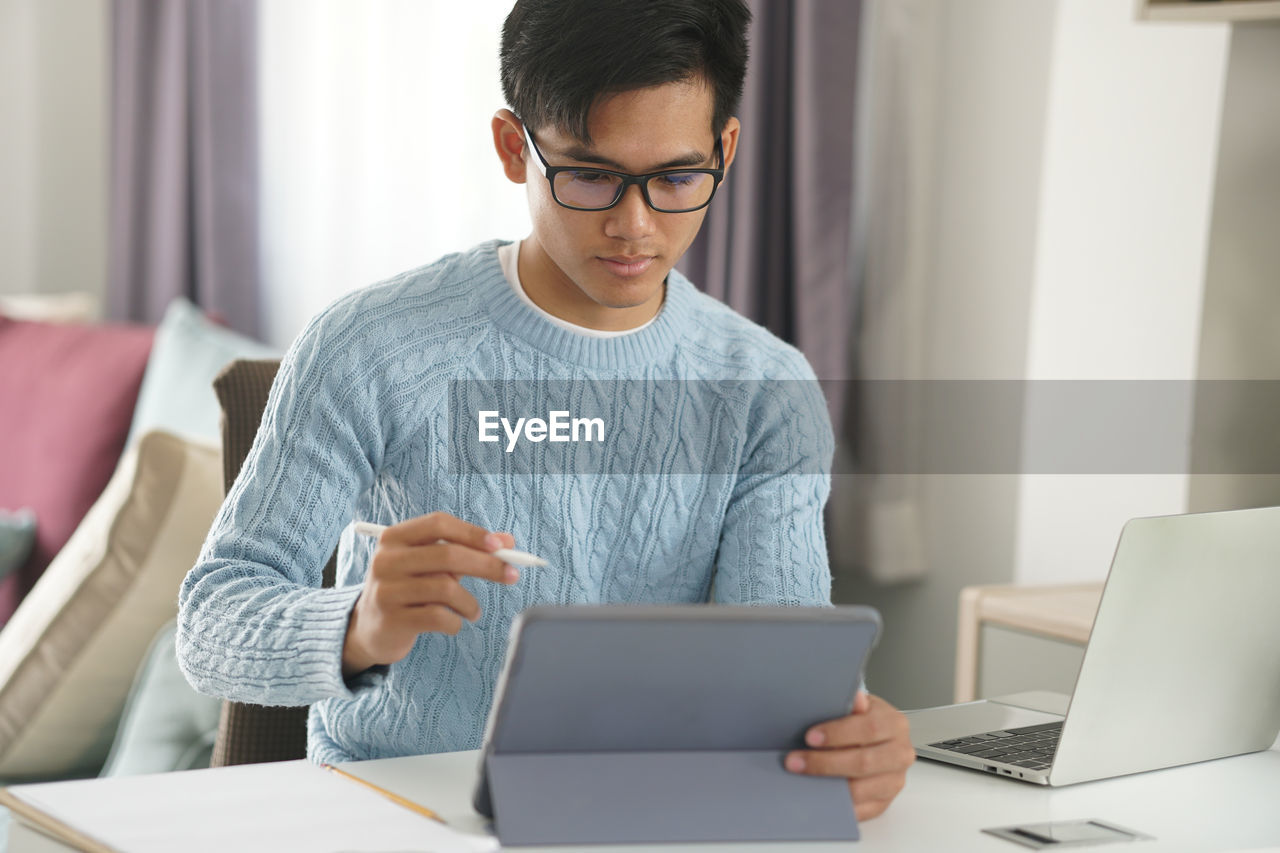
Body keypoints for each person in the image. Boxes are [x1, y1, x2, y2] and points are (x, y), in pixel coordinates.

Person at [177, 0, 914, 822]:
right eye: (591, 175)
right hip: (390, 814)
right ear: (511, 146)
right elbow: (210, 626)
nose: (635, 227)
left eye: (675, 178)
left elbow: (784, 677)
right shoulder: (368, 344)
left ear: (724, 151)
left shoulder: (766, 390)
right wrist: (360, 622)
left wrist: (844, 742)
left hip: (639, 819)